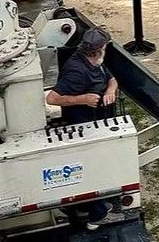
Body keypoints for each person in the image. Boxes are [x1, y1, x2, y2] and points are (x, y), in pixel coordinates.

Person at [46, 26, 119, 230]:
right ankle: (97, 216)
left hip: (98, 122)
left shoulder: (96, 62)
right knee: (92, 168)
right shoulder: (77, 71)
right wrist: (83, 99)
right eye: (104, 48)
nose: (105, 51)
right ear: (97, 50)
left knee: (96, 165)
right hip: (82, 126)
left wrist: (110, 92)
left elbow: (111, 79)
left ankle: (84, 206)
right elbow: (52, 98)